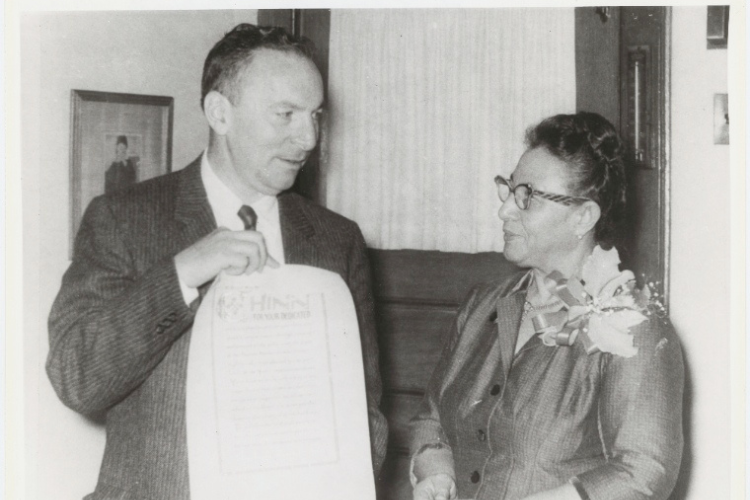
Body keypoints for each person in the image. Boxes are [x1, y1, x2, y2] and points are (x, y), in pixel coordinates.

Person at [47, 24, 387, 499]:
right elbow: (76, 378)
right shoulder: (123, 218)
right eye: (285, 115)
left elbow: (365, 412)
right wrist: (181, 274)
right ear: (219, 112)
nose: (308, 138)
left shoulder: (338, 241)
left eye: (315, 115)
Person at [409, 112, 684, 500]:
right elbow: (431, 417)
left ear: (583, 217)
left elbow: (645, 471)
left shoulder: (633, 326)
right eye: (509, 190)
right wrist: (434, 473)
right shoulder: (481, 304)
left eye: (528, 198)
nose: (505, 210)